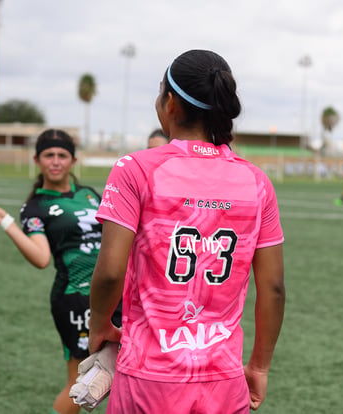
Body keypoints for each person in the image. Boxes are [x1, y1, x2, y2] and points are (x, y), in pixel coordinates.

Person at [88, 49, 285, 414]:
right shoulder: (256, 182)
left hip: (149, 377)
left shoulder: (135, 169)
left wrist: (98, 324)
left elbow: (111, 271)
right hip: (224, 381)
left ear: (171, 103)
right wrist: (258, 365)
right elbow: (273, 288)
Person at [0, 129, 121, 414]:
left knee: (122, 375)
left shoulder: (89, 195)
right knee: (82, 381)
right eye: (48, 155)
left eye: (62, 155)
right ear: (37, 160)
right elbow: (41, 257)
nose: (55, 161)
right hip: (76, 298)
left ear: (73, 160)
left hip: (113, 294)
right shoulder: (35, 207)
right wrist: (6, 223)